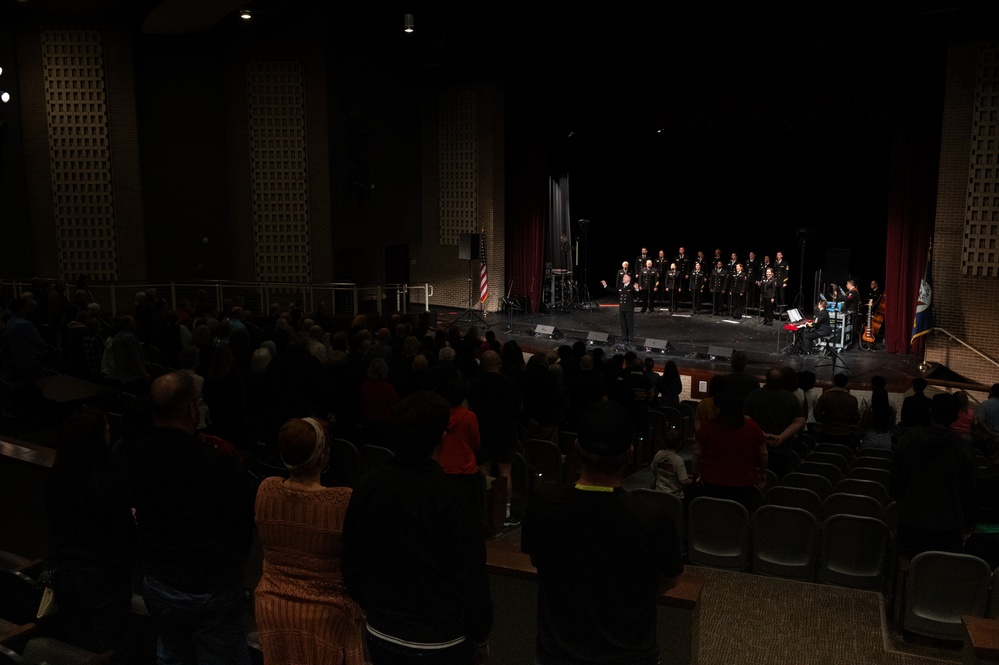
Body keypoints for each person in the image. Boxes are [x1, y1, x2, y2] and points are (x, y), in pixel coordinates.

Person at [521, 401, 683, 665]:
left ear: (576, 447)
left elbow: (537, 559)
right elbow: (670, 579)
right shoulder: (654, 517)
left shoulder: (543, 503)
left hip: (558, 654)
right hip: (631, 655)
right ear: (630, 452)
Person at [342, 392, 493, 665]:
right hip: (442, 641)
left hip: (381, 632)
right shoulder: (456, 497)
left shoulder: (368, 485)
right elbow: (472, 576)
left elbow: (351, 558)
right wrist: (480, 636)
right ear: (442, 438)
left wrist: (374, 608)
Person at [126, 372, 255, 665]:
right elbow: (247, 515)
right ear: (192, 410)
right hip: (210, 590)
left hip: (158, 583)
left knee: (172, 653)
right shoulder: (216, 463)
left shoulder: (137, 455)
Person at [255, 418, 364, 665]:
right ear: (323, 456)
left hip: (272, 607)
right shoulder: (342, 501)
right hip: (327, 615)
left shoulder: (266, 488)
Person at [46, 406, 135, 656]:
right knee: (107, 649)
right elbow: (124, 537)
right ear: (98, 440)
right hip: (104, 578)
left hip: (65, 573)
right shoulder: (110, 484)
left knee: (73, 645)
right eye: (107, 431)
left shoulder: (55, 479)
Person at [891, 393, 977, 558]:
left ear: (930, 412)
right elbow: (969, 492)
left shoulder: (909, 439)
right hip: (947, 526)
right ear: (954, 416)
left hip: (910, 520)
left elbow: (895, 482)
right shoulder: (964, 449)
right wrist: (968, 523)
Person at [467, 350, 522, 525]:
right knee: (505, 472)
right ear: (499, 363)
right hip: (505, 432)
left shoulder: (475, 384)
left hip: (483, 431)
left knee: (484, 468)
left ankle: (483, 506)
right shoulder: (509, 383)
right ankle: (505, 512)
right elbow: (518, 408)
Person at [693, 392, 770, 511]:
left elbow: (697, 453)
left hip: (712, 480)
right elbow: (763, 453)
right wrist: (762, 472)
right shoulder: (752, 426)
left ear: (720, 408)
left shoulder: (708, 427)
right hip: (744, 482)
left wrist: (695, 472)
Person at [743, 367, 805, 478]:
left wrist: (761, 435)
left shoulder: (753, 395)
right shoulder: (791, 398)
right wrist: (781, 437)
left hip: (756, 449)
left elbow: (746, 419)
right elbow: (800, 421)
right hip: (782, 450)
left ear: (766, 379)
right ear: (782, 381)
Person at [813, 373, 860, 444]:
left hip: (826, 432)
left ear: (834, 382)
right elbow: (856, 418)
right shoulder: (852, 399)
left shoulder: (825, 396)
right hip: (844, 433)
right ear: (846, 383)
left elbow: (817, 414)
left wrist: (825, 421)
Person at [600, 272, 640, 343]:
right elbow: (613, 290)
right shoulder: (621, 286)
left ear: (628, 279)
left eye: (624, 277)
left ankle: (630, 338)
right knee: (623, 323)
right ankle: (624, 337)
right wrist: (605, 285)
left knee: (629, 323)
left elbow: (637, 295)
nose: (623, 278)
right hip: (622, 308)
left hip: (629, 308)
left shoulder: (631, 287)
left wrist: (637, 289)